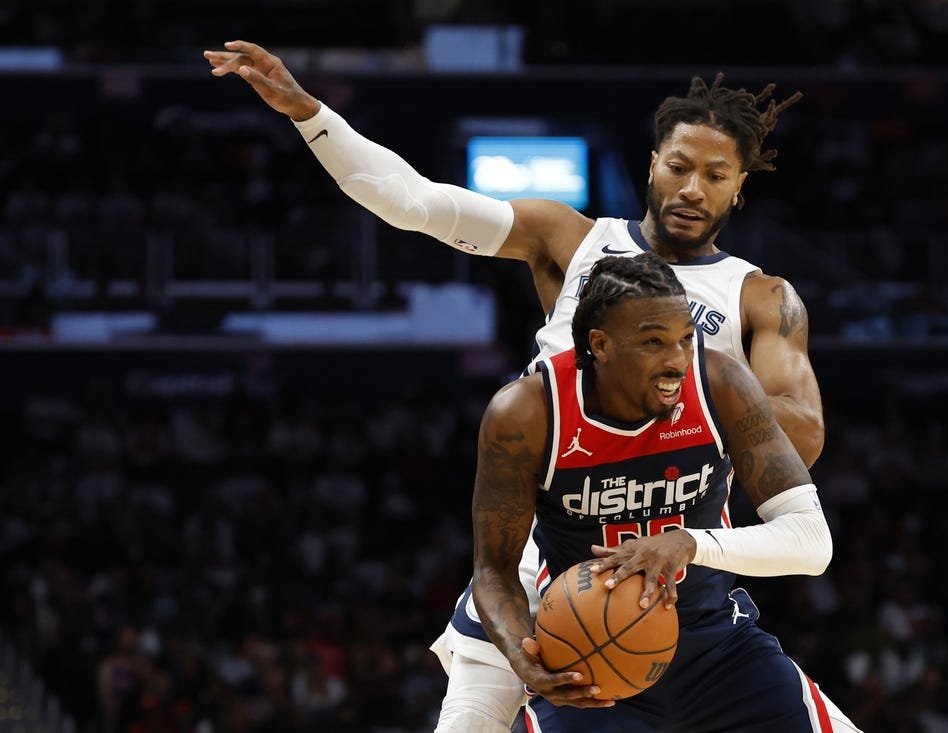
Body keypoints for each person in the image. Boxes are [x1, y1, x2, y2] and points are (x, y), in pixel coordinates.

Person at [204, 40, 825, 731]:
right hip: (543, 547)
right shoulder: (572, 239)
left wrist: (668, 402)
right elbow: (414, 202)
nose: (690, 188)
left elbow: (801, 430)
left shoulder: (761, 296)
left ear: (739, 187)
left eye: (715, 175)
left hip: (669, 564)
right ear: (652, 164)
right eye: (678, 166)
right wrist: (310, 113)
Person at [471, 252, 858, 731]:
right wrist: (521, 657)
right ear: (601, 344)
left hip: (717, 649)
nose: (677, 360)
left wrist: (688, 542)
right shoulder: (527, 413)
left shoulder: (719, 383)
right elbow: (493, 569)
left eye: (685, 340)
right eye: (654, 342)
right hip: (589, 666)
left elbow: (812, 542)